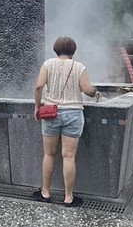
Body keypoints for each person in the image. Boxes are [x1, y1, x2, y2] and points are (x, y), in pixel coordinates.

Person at [33, 36, 100, 207]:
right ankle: (68, 197)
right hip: (73, 113)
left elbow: (39, 86)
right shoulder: (79, 67)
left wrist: (37, 107)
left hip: (51, 113)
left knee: (49, 154)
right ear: (73, 50)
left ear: (56, 49)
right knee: (69, 156)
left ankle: (45, 192)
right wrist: (95, 93)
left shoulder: (47, 64)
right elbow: (87, 89)